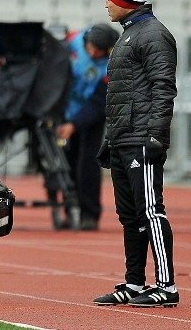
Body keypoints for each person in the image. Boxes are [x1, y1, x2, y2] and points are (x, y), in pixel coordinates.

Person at [93, 0, 179, 307]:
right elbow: (123, 94)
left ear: (126, 1)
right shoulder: (131, 34)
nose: (106, 5)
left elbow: (163, 87)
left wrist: (155, 136)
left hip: (142, 138)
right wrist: (110, 139)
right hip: (123, 137)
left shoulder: (153, 35)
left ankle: (167, 286)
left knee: (150, 212)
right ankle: (134, 282)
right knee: (130, 216)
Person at [56, 23, 119, 231]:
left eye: (97, 51)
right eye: (89, 48)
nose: (92, 53)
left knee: (89, 164)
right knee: (67, 162)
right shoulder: (73, 40)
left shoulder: (114, 63)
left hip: (91, 114)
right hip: (65, 111)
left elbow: (101, 102)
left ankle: (90, 214)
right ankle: (70, 210)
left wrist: (74, 125)